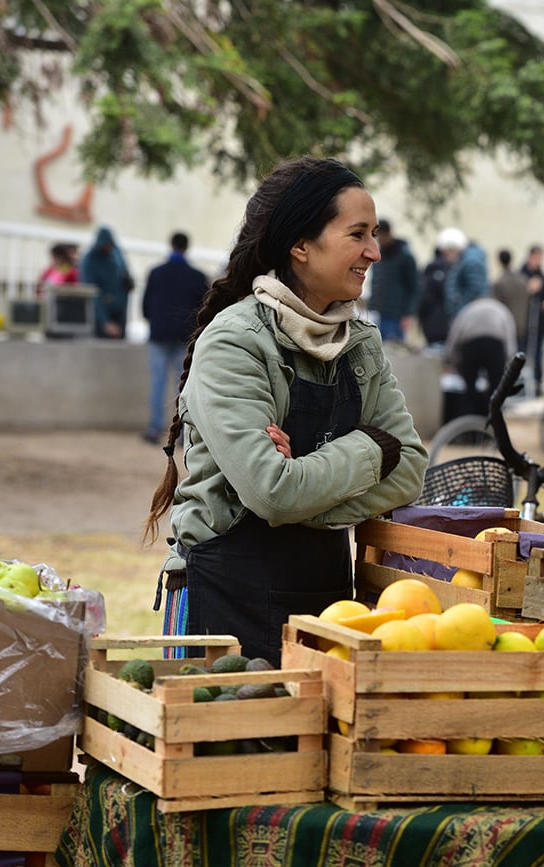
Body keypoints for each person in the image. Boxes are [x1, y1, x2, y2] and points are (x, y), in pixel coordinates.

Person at [143, 156, 428, 665]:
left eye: (375, 234)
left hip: (327, 601)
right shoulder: (235, 342)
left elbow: (409, 466)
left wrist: (302, 493)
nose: (374, 252)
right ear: (300, 245)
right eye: (358, 234)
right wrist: (367, 449)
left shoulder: (360, 344)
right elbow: (272, 492)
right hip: (226, 603)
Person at [140, 232, 210, 444]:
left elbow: (145, 306)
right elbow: (205, 307)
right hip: (185, 337)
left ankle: (154, 428)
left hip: (159, 334)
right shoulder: (197, 276)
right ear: (187, 247)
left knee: (158, 382)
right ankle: (180, 434)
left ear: (170, 245)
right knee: (183, 386)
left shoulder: (156, 273)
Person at [444, 296, 518, 418]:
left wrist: (451, 358)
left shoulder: (468, 309)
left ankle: (469, 417)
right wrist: (509, 360)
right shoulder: (501, 309)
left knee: (469, 387)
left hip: (471, 344)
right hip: (495, 345)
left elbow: (454, 335)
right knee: (496, 387)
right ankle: (492, 416)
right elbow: (510, 338)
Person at [365, 219, 418, 342]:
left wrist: (408, 314)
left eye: (381, 236)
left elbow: (414, 287)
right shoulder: (378, 255)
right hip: (376, 314)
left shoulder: (405, 256)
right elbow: (375, 282)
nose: (379, 240)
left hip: (396, 316)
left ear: (388, 233)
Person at [80, 225, 134, 339]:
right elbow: (92, 294)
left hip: (120, 312)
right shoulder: (89, 261)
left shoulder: (116, 252)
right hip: (102, 317)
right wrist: (105, 322)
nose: (109, 248)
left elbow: (124, 272)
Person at [521, 244, 544, 395]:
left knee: (539, 355)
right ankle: (521, 386)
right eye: (537, 257)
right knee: (522, 354)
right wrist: (528, 290)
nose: (539, 261)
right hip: (524, 323)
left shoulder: (543, 277)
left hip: (539, 323)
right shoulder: (522, 275)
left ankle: (537, 384)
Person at [440, 227, 489, 323]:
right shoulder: (465, 261)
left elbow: (475, 291)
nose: (446, 257)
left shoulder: (471, 262)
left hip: (468, 317)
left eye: (447, 252)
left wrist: (459, 305)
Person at [491, 248, 531, 355]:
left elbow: (496, 307)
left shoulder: (499, 283)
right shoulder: (523, 280)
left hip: (506, 326)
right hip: (522, 325)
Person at [417, 246, 450, 347]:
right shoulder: (449, 271)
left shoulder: (428, 272)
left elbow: (423, 299)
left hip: (430, 324)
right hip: (446, 324)